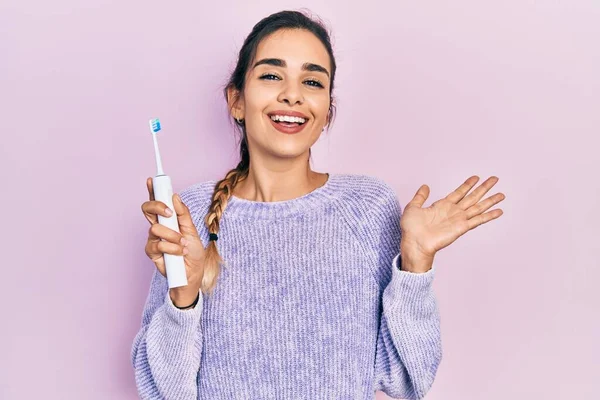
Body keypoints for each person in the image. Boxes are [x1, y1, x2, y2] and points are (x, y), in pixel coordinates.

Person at [131, 9, 505, 400]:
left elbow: (406, 380)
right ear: (237, 100)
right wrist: (184, 295)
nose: (293, 94)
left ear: (327, 109)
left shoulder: (367, 209)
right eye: (272, 75)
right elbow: (165, 391)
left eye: (312, 81)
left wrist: (415, 263)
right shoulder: (190, 213)